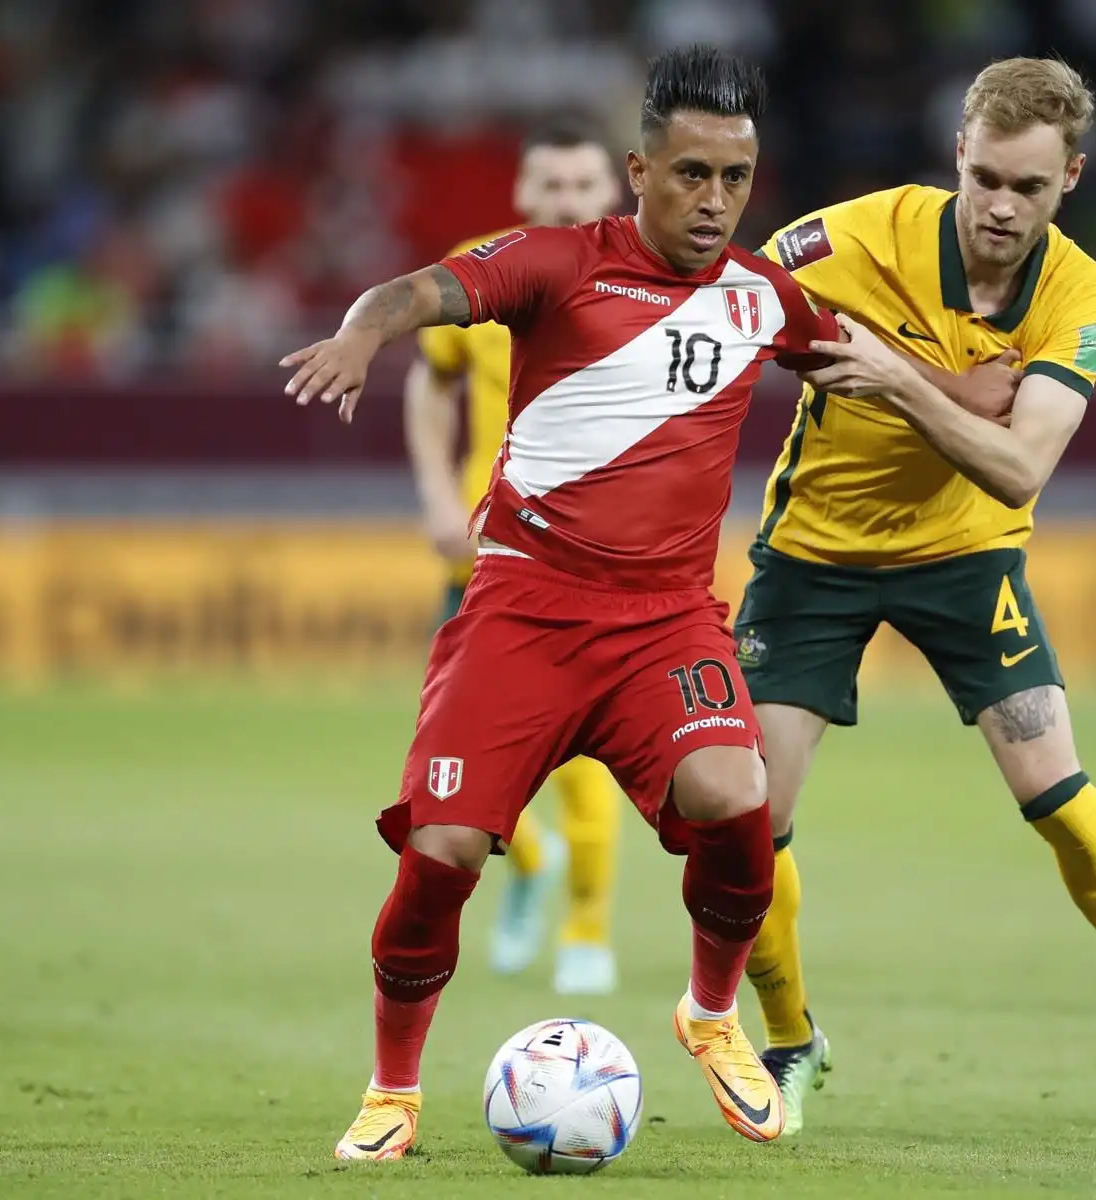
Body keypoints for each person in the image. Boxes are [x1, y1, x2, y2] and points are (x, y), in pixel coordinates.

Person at [280, 44, 840, 1159]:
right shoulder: (556, 263)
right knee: (439, 854)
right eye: (691, 174)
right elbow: (417, 292)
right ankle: (393, 1091)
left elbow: (857, 360)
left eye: (735, 178)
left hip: (667, 622)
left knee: (742, 804)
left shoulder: (763, 298)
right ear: (640, 170)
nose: (715, 199)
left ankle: (712, 1014)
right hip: (524, 613)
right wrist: (359, 333)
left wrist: (974, 399)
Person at [731, 56, 1096, 1134]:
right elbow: (722, 302)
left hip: (970, 558)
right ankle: (789, 1042)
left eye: (1029, 187)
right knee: (747, 819)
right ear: (957, 162)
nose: (1002, 208)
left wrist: (892, 376)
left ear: (1071, 177)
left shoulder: (1084, 295)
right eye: (985, 181)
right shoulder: (852, 240)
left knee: (1057, 795)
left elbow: (1019, 470)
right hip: (814, 557)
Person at [405, 121, 624, 996]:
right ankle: (527, 857)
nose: (568, 202)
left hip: (592, 557)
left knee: (581, 754)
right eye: (552, 187)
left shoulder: (643, 284)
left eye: (583, 187)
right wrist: (433, 496)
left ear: (613, 193)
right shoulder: (480, 269)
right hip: (486, 551)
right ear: (523, 196)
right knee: (446, 750)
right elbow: (433, 376)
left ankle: (586, 932)